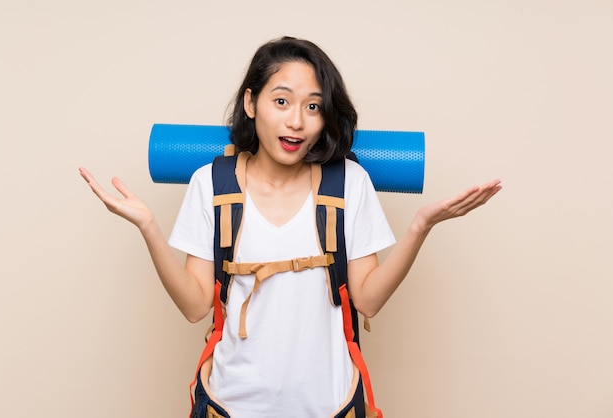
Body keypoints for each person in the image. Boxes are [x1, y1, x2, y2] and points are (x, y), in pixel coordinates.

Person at [79, 36, 501, 418]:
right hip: (231, 405)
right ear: (251, 103)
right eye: (281, 101)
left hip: (330, 406)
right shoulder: (210, 183)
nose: (297, 121)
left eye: (313, 106)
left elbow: (367, 301)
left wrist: (420, 227)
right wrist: (149, 228)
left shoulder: (349, 183)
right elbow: (194, 307)